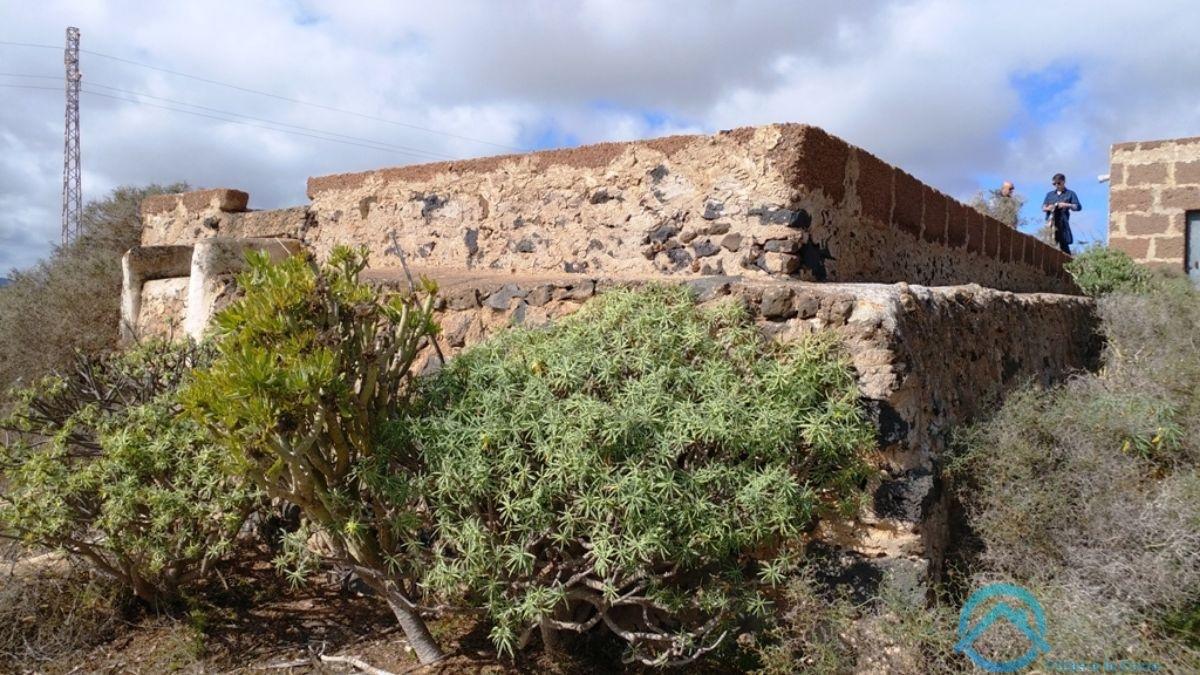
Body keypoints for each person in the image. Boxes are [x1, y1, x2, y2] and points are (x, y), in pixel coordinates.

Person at [1042, 173, 1080, 254]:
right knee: (1048, 244)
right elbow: (1043, 207)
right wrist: (1050, 208)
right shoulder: (1049, 195)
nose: (1056, 185)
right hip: (1051, 223)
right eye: (1054, 184)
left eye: (1058, 183)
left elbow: (1078, 207)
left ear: (1063, 182)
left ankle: (1068, 262)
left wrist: (1066, 205)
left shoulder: (1070, 193)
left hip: (1063, 223)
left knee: (1064, 244)